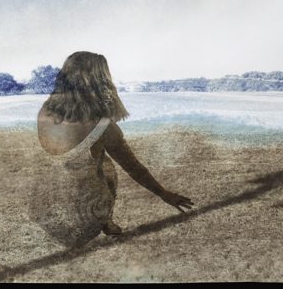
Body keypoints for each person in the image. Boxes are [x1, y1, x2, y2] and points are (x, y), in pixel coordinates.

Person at [34, 51, 193, 247]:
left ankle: (101, 216)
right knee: (106, 165)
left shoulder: (45, 112)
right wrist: (164, 194)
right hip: (82, 225)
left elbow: (52, 151)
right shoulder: (102, 126)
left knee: (79, 163)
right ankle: (106, 220)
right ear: (100, 81)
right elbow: (133, 167)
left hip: (47, 213)